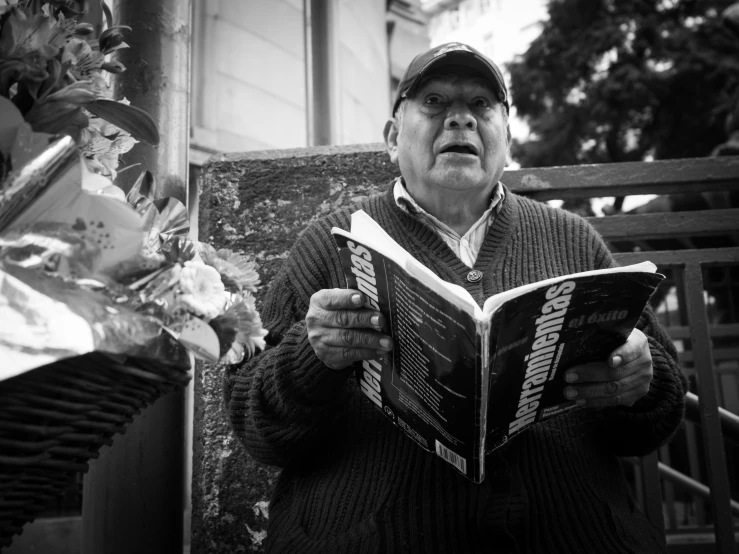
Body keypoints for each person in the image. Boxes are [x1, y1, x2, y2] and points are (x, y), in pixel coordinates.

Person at [223, 42, 686, 554]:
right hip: (370, 535)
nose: (460, 120)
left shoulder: (573, 239)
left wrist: (636, 383)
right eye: (435, 102)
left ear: (506, 138)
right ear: (393, 138)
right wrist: (311, 359)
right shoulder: (330, 241)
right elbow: (255, 423)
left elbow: (657, 414)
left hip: (575, 532)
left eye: (482, 106)